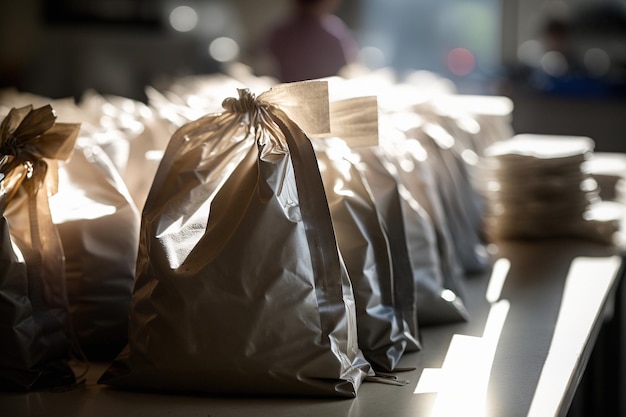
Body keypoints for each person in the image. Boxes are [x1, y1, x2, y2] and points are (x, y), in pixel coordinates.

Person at [257, 0, 359, 83]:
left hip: (289, 100)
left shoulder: (278, 32)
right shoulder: (334, 32)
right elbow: (349, 67)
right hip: (327, 99)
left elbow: (264, 67)